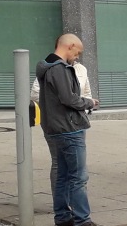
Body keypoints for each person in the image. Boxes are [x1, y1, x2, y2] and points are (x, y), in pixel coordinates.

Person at [35, 33, 105, 226]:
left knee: (63, 175)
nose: (78, 57)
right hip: (69, 128)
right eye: (78, 52)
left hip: (54, 128)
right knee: (78, 177)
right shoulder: (59, 69)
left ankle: (63, 218)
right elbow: (69, 99)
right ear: (70, 46)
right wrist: (89, 103)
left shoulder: (46, 66)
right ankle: (82, 221)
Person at [30, 54, 92, 195]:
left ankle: (72, 201)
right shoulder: (53, 68)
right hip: (56, 122)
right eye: (76, 51)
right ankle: (63, 202)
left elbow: (86, 93)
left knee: (77, 168)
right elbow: (35, 93)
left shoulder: (81, 69)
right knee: (59, 164)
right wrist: (58, 101)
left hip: (76, 122)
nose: (77, 55)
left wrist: (85, 106)